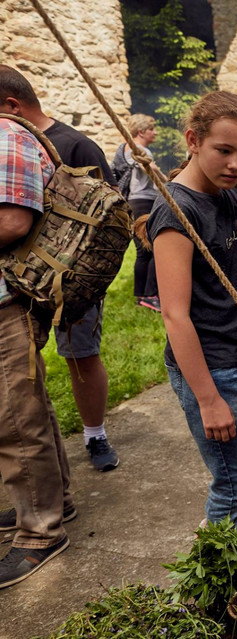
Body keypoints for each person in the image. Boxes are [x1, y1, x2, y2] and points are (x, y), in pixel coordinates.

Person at [146, 91, 237, 532]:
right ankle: (215, 581)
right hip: (214, 368)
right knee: (234, 482)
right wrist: (208, 400)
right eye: (223, 151)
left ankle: (233, 559)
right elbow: (174, 316)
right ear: (192, 139)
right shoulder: (177, 211)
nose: (235, 163)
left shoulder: (229, 193)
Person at [0, 64, 119, 473]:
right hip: (20, 281)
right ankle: (45, 462)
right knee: (24, 373)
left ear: (12, 105)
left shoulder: (76, 146)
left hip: (71, 278)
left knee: (80, 354)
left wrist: (88, 282)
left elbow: (109, 218)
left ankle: (95, 434)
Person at [0, 109, 73, 589]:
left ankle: (40, 531)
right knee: (24, 408)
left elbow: (11, 221)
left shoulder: (4, 135)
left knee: (13, 419)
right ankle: (55, 498)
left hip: (7, 301)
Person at [114, 113, 164, 312]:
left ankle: (141, 296)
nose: (155, 132)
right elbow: (148, 171)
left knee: (142, 253)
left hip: (133, 202)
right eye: (151, 129)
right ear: (141, 131)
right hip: (145, 202)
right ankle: (152, 295)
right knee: (153, 249)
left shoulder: (123, 149)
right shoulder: (141, 151)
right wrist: (157, 171)